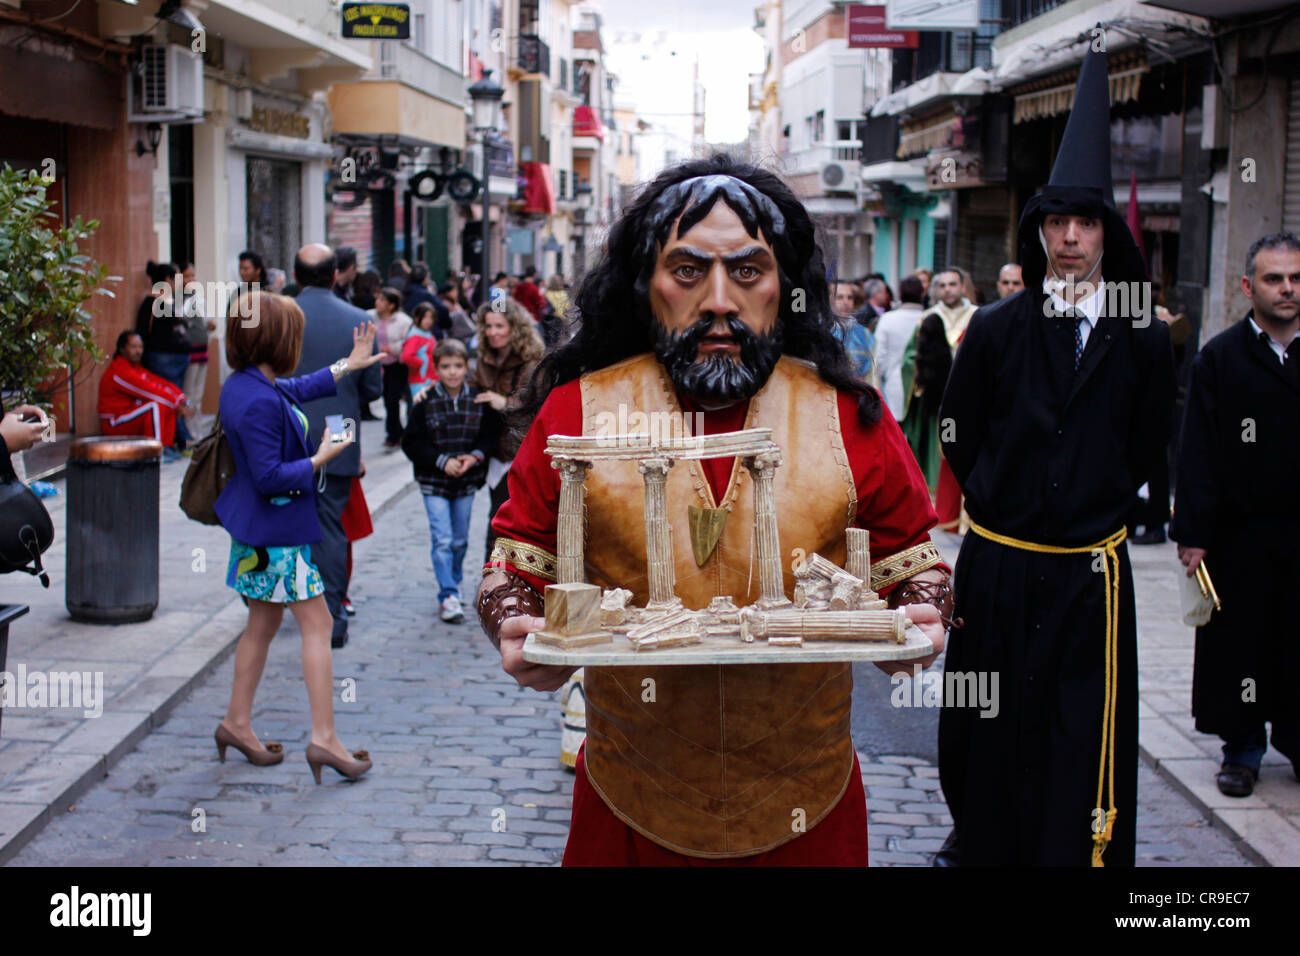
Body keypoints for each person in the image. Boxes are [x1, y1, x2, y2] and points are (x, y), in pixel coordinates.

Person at [475, 156, 950, 866]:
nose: (721, 300)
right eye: (689, 272)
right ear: (647, 286)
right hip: (630, 801)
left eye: (750, 272)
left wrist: (921, 614)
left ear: (783, 285)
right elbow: (516, 558)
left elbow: (913, 560)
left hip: (806, 807)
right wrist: (513, 619)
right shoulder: (579, 409)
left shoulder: (848, 418)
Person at [937, 46, 1175, 867]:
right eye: (1055, 224)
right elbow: (956, 427)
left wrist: (1109, 500)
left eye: (1085, 224)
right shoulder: (999, 330)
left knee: (1080, 720)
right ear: (1038, 233)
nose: (1070, 239)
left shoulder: (1144, 332)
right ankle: (979, 837)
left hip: (1089, 574)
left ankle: (1077, 849)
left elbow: (1153, 435)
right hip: (1001, 562)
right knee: (984, 713)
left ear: (1107, 232)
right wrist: (1001, 499)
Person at [214, 290, 382, 783]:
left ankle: (236, 724)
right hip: (278, 538)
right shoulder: (259, 399)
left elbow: (298, 388)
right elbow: (271, 476)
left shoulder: (246, 384)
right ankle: (324, 739)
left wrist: (345, 367)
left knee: (262, 626)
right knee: (318, 624)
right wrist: (321, 457)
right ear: (275, 339)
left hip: (259, 535)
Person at [1170, 231, 1300, 798]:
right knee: (1242, 643)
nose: (1287, 289)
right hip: (1238, 536)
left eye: (1296, 278)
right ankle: (1242, 749)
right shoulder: (1219, 359)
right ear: (1249, 286)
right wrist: (1193, 532)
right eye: (1274, 278)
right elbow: (1196, 449)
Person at [290, 243, 383, 649]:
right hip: (338, 428)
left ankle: (277, 605)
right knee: (330, 527)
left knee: (282, 522)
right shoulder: (359, 320)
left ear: (296, 277)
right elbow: (373, 388)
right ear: (334, 275)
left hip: (287, 427)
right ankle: (332, 616)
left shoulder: (278, 315)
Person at [402, 338, 500, 624]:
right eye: (446, 367)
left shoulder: (477, 399)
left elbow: (490, 434)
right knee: (442, 538)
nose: (453, 372)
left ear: (466, 366)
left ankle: (454, 582)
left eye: (458, 366)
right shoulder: (425, 402)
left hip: (466, 481)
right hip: (434, 481)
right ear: (436, 369)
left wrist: (475, 456)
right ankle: (448, 593)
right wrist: (442, 461)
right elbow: (412, 442)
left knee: (459, 540)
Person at [899, 268, 974, 531]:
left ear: (963, 286)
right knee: (936, 457)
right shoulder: (928, 318)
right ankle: (937, 515)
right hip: (936, 404)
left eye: (953, 284)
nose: (947, 290)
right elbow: (909, 358)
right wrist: (919, 377)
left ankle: (966, 518)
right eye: (942, 285)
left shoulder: (978, 316)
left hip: (971, 406)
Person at [470, 299, 544, 564]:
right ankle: (493, 585)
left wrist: (505, 403)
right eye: (488, 326)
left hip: (521, 454)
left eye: (499, 325)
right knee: (496, 523)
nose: (493, 332)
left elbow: (539, 403)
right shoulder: (483, 360)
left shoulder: (532, 361)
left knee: (516, 526)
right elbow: (470, 392)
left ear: (515, 327)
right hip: (495, 455)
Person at [98, 331, 195, 461]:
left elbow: (160, 383)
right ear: (122, 349)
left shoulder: (135, 367)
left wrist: (181, 400)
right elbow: (150, 391)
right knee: (156, 403)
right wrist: (177, 404)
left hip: (127, 417)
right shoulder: (119, 370)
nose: (138, 351)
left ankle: (166, 446)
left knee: (164, 402)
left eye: (140, 347)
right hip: (114, 423)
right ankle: (156, 452)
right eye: (133, 347)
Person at [135, 261, 195, 451]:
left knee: (174, 399)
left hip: (173, 359)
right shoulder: (154, 303)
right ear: (168, 280)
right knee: (169, 400)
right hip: (163, 359)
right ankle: (177, 441)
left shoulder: (165, 303)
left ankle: (180, 439)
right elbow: (145, 333)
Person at [875, 275, 927, 421]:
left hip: (894, 385)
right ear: (922, 293)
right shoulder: (929, 318)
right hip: (922, 388)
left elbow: (879, 357)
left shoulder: (887, 319)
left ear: (900, 294)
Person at [371, 287, 412, 449]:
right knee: (388, 399)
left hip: (396, 364)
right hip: (376, 363)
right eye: (377, 299)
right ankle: (396, 432)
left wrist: (390, 348)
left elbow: (408, 343)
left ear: (391, 305)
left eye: (382, 300)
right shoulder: (369, 316)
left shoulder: (403, 321)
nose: (377, 303)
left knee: (392, 399)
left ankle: (394, 434)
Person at [830, 281, 877, 386]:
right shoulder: (818, 331)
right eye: (839, 297)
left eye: (849, 298)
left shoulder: (865, 336)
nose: (845, 302)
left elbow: (872, 377)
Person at [402, 304, 440, 400]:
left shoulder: (428, 335)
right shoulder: (415, 336)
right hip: (420, 380)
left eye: (431, 317)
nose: (428, 320)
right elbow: (407, 356)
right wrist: (422, 363)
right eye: (424, 317)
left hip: (429, 379)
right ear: (416, 318)